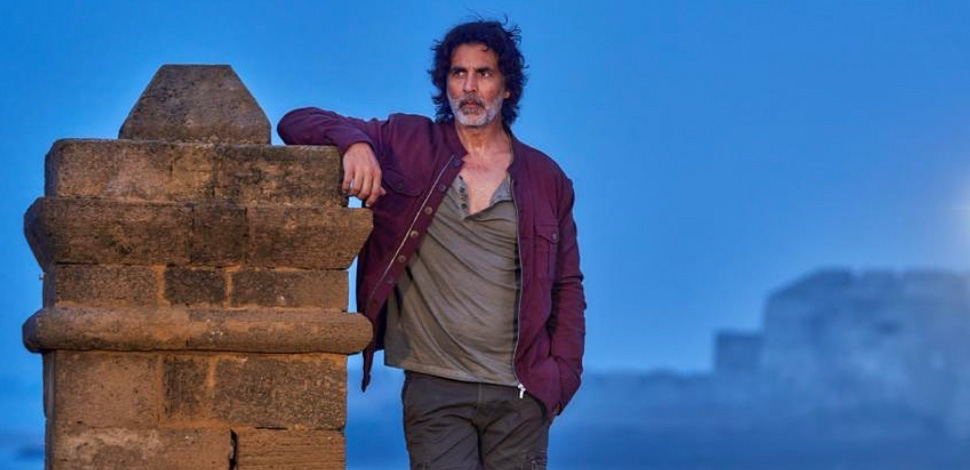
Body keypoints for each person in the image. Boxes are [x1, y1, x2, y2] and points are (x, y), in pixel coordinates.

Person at [278, 19, 585, 470]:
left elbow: (567, 285)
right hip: (435, 387)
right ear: (445, 84)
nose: (470, 87)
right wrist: (355, 144)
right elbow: (295, 122)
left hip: (520, 392)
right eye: (459, 73)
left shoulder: (547, 178)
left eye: (484, 73)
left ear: (507, 88)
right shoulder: (408, 143)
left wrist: (562, 380)